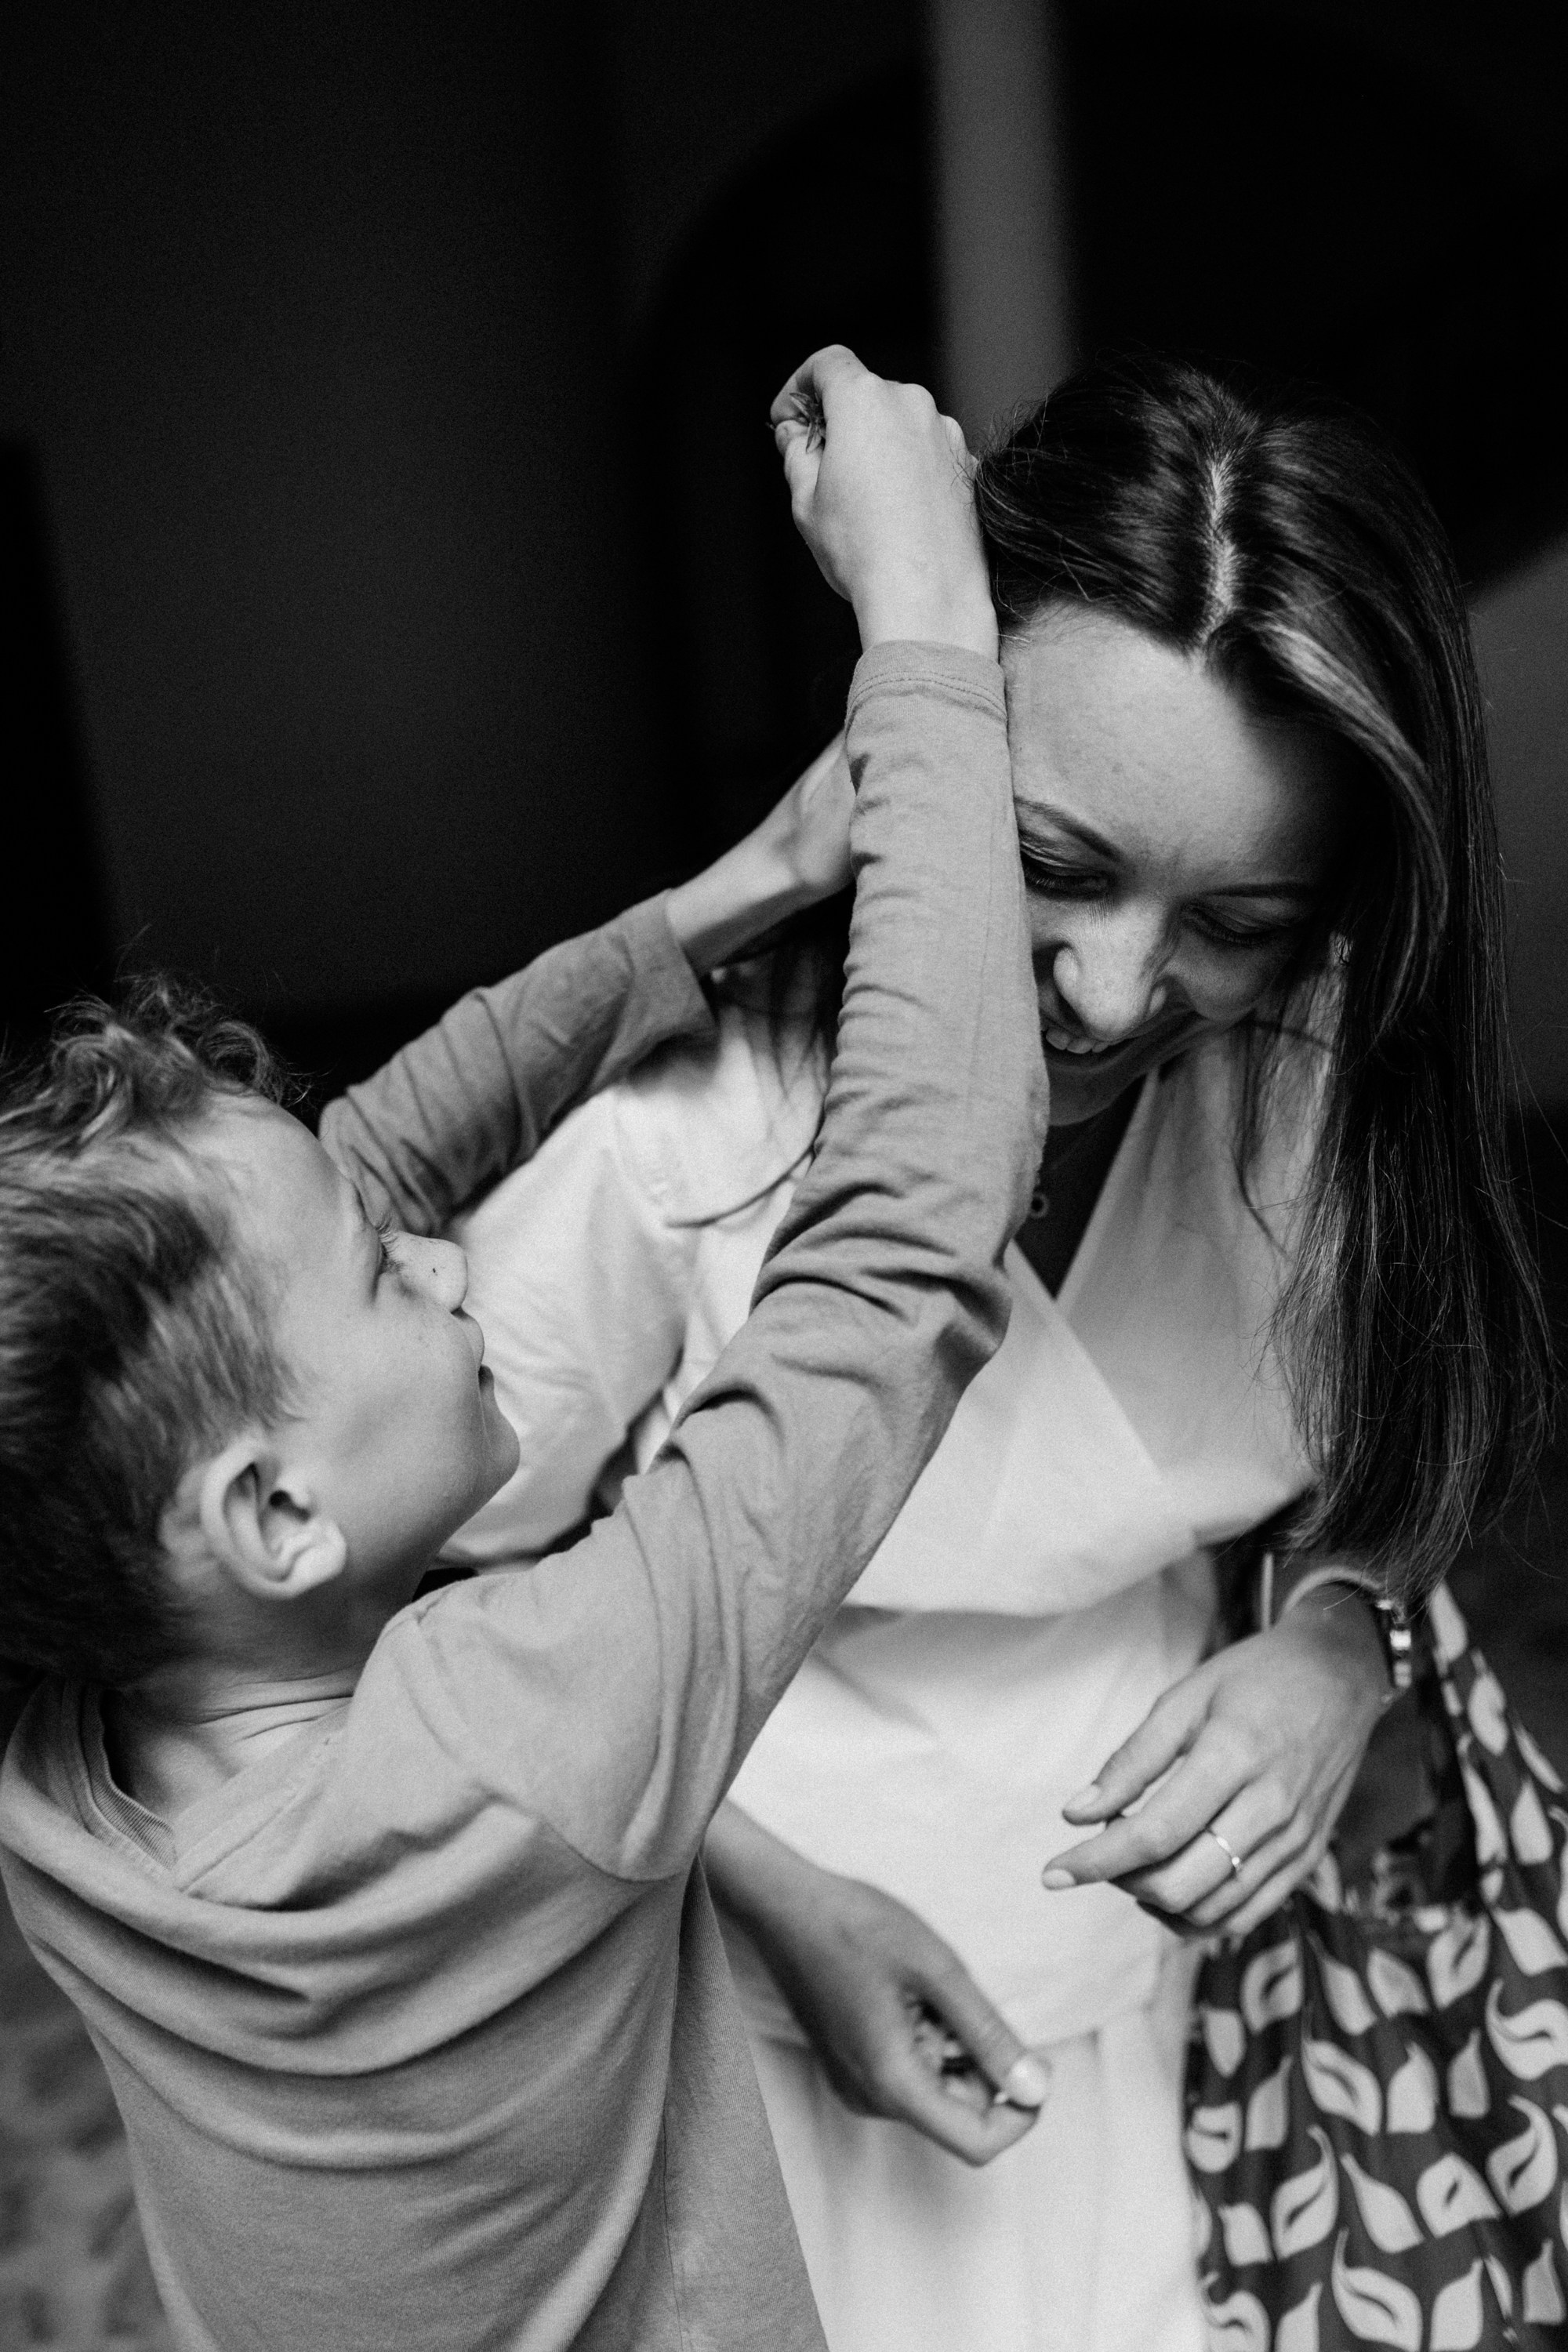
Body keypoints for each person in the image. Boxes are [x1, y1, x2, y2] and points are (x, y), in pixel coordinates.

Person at [436, 354, 1551, 2351]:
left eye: (1243, 916)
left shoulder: (1311, 1097)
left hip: (1170, 2012)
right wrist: (762, 1894)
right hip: (739, 1997)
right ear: (910, 760)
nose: (1124, 990)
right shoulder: (670, 1143)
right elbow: (434, 1597)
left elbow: (1395, 1419)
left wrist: (1339, 1632)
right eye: (1050, 864)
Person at [0, 351, 1051, 2350]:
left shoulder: (64, 1755)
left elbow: (370, 1158)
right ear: (277, 1512)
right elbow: (905, 1233)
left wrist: (743, 890)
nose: (436, 1249)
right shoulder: (531, 1720)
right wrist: (927, 624)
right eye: (389, 1278)